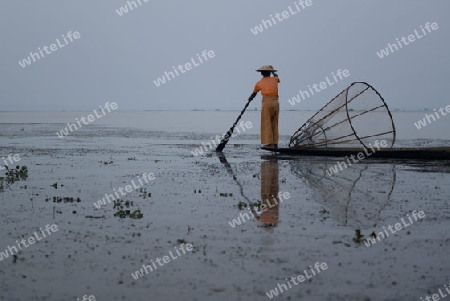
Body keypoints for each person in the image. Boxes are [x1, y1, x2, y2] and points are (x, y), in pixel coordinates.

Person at [248, 65, 280, 149]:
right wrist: (273, 71)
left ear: (261, 73)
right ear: (270, 73)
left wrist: (250, 99)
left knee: (267, 122)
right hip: (276, 103)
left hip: (267, 102)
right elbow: (276, 76)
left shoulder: (259, 83)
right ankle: (275, 143)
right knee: (274, 122)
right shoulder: (275, 79)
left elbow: (254, 93)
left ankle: (269, 143)